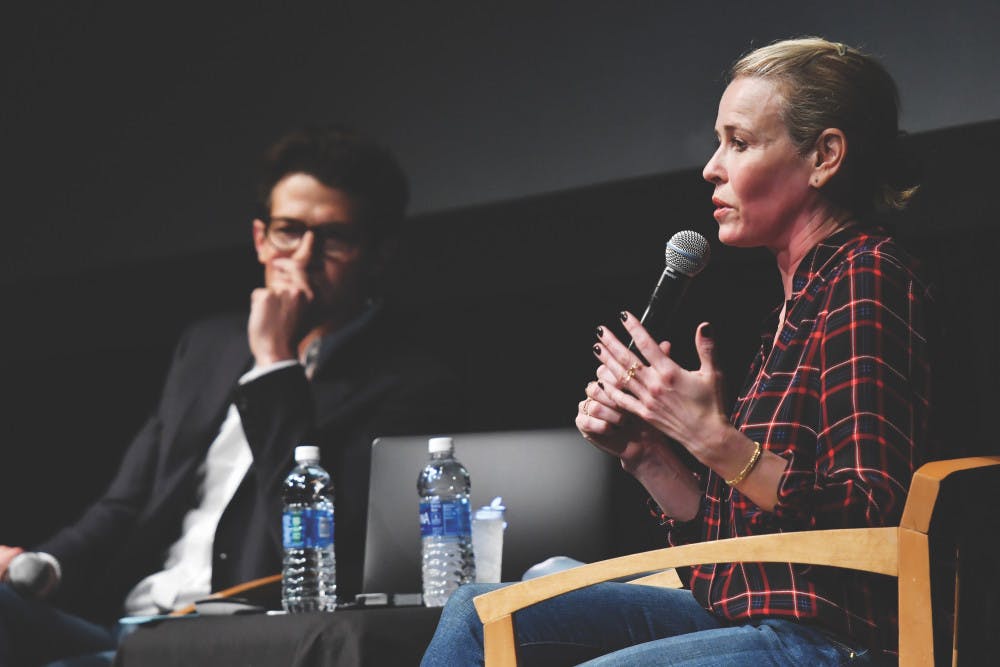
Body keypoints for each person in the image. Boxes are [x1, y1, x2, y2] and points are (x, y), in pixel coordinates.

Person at [421, 36, 934, 666]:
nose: (711, 168)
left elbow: (872, 514)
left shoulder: (868, 276)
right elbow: (736, 548)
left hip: (833, 640)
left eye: (739, 143)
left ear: (824, 156)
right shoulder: (801, 299)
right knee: (475, 614)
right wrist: (648, 452)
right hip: (753, 613)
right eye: (719, 142)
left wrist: (710, 437)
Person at [0, 124, 463, 666]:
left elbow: (325, 548)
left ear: (377, 255)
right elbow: (124, 504)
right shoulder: (207, 345)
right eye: (289, 230)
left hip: (248, 639)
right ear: (260, 239)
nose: (304, 255)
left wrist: (275, 363)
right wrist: (40, 566)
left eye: (334, 237)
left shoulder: (407, 381)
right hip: (134, 626)